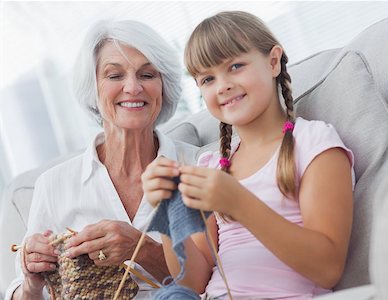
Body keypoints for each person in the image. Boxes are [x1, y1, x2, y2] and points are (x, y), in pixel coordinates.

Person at [142, 11, 355, 299]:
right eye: (207, 79)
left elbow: (327, 268)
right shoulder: (213, 167)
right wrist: (167, 215)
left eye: (236, 66)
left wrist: (238, 202)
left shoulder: (314, 143)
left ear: (273, 61)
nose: (222, 85)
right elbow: (194, 282)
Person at [6, 19, 198, 300]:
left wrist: (141, 248)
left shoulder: (198, 166)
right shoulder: (53, 185)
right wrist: (31, 283)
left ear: (164, 86)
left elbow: (221, 278)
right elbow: (30, 292)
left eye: (147, 75)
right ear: (92, 88)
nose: (133, 88)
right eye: (114, 75)